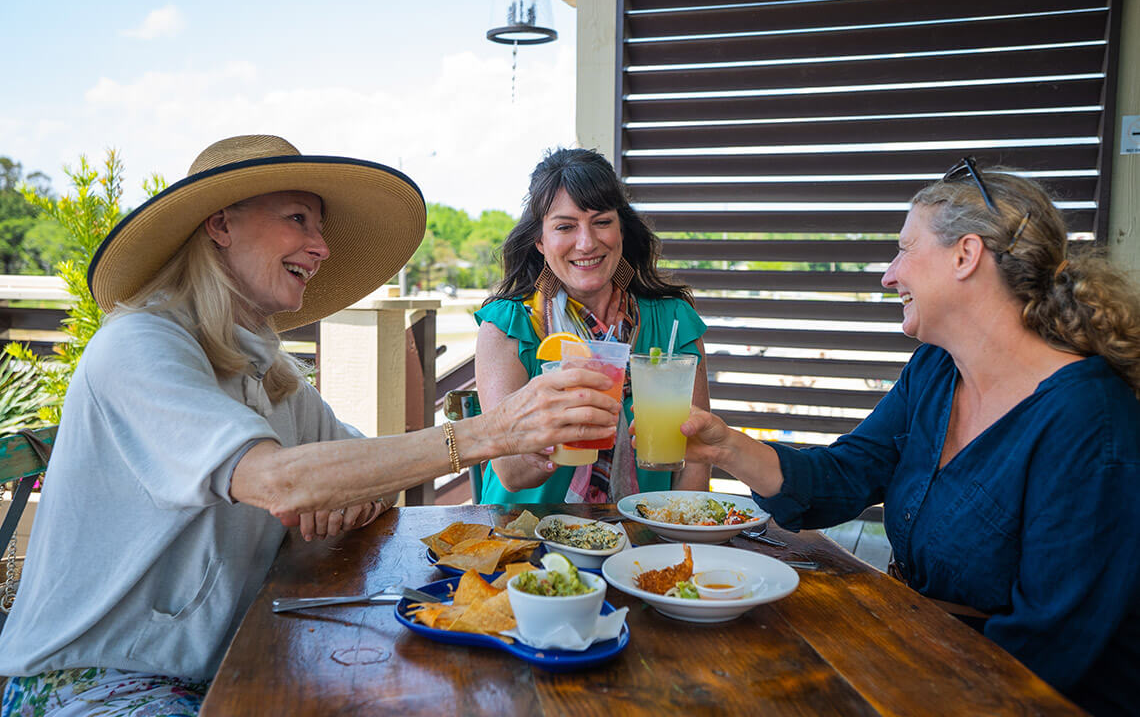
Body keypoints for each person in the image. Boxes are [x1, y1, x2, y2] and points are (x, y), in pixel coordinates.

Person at [0, 135, 620, 717]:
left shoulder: (265, 365)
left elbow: (364, 469)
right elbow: (277, 482)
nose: (321, 247)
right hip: (89, 679)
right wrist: (489, 433)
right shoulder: (139, 345)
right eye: (299, 219)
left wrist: (341, 492)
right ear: (221, 224)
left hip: (224, 662)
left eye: (318, 227)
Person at [672, 159, 1140, 716]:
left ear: (965, 256)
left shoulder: (1090, 421)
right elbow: (850, 474)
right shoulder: (936, 372)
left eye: (904, 249)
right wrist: (726, 447)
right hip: (927, 653)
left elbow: (1046, 648)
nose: (889, 274)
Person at [475, 147, 711, 505]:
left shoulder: (674, 320)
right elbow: (510, 472)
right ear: (540, 240)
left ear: (621, 231)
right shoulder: (507, 326)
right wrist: (579, 409)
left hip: (643, 542)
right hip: (526, 541)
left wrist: (671, 543)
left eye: (602, 222)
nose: (586, 243)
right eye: (565, 227)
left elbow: (695, 461)